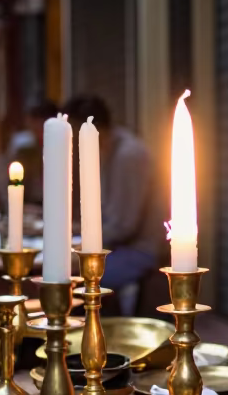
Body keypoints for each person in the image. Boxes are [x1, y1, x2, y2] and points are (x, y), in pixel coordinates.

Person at [63, 96, 161, 312]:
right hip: (113, 245)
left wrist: (79, 248)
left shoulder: (128, 155)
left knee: (70, 281)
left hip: (137, 250)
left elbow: (124, 226)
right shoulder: (104, 150)